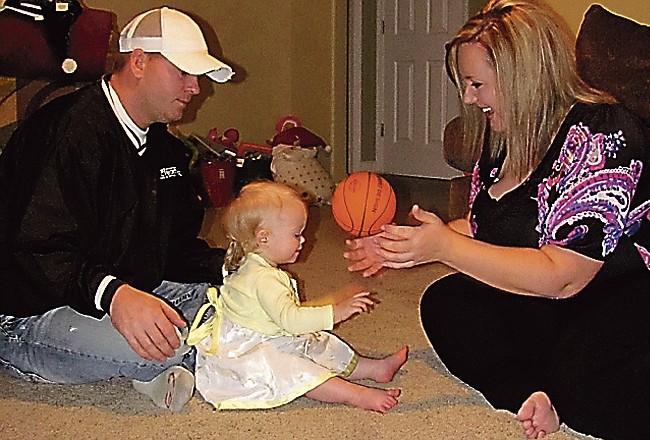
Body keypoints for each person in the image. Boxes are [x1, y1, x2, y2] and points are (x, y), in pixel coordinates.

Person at [344, 0, 650, 438]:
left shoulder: (603, 133)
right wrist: (405, 244)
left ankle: (570, 382)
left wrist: (444, 247)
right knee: (448, 303)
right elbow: (487, 227)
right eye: (465, 83)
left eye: (477, 83)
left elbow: (565, 278)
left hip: (638, 286)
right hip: (566, 290)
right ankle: (532, 393)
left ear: (524, 78)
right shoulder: (505, 136)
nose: (468, 98)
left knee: (593, 394)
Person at [0, 7, 236, 412]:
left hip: (122, 288)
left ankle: (160, 369)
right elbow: (33, 249)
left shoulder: (165, 150)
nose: (195, 88)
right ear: (140, 61)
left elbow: (173, 251)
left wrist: (233, 266)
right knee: (178, 345)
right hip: (30, 310)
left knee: (238, 308)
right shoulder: (68, 133)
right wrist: (114, 296)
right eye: (183, 73)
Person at [186, 181, 408, 413]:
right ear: (264, 238)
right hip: (251, 352)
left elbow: (284, 316)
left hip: (266, 334)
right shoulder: (265, 280)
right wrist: (337, 311)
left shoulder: (248, 263)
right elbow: (291, 320)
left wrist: (331, 301)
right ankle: (356, 395)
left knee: (320, 345)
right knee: (298, 369)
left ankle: (374, 369)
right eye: (296, 234)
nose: (303, 240)